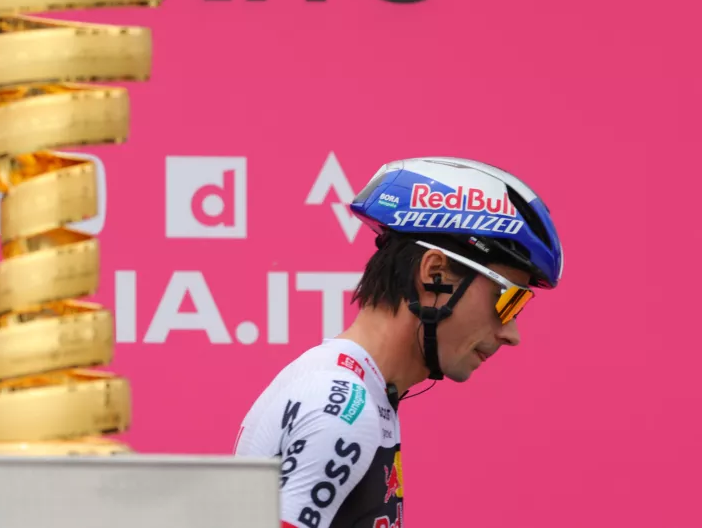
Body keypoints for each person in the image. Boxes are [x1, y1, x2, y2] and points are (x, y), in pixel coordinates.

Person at [232, 157, 564, 528]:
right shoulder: (342, 406)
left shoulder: (358, 390)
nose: (512, 334)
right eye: (508, 300)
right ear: (434, 273)